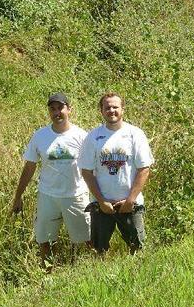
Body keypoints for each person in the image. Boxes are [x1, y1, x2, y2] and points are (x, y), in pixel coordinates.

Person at [12, 93, 91, 270]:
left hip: (76, 195)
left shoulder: (82, 136)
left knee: (87, 238)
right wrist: (18, 197)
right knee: (45, 241)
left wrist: (99, 196)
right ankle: (48, 276)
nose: (57, 113)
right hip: (48, 196)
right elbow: (29, 167)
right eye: (52, 109)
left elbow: (91, 167)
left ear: (69, 109)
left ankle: (93, 272)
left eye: (60, 108)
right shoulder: (40, 136)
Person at [78, 92, 154, 254]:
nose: (111, 110)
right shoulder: (93, 137)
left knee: (137, 247)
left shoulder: (135, 134)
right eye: (107, 107)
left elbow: (144, 169)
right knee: (99, 249)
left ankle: (138, 276)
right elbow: (86, 171)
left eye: (115, 107)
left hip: (130, 204)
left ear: (123, 109)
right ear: (101, 111)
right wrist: (102, 201)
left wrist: (130, 200)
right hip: (102, 205)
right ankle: (99, 277)